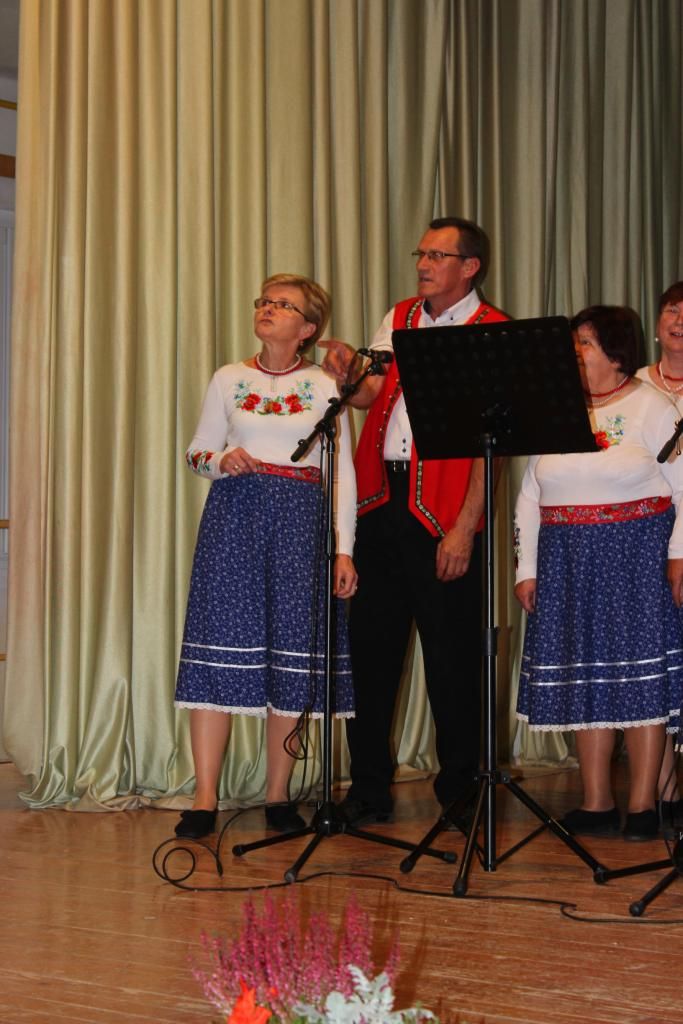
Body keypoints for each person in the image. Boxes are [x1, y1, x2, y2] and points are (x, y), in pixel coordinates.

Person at [321, 216, 508, 825]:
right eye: (420, 253)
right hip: (382, 502)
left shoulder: (492, 330)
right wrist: (348, 374)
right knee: (370, 652)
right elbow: (370, 395)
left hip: (445, 512)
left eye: (437, 255)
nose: (423, 265)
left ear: (469, 267)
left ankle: (461, 792)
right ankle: (368, 789)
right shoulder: (399, 316)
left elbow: (494, 447)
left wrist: (465, 528)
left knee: (453, 658)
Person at [174, 273, 357, 840]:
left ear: (308, 328)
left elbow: (342, 475)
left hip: (301, 527)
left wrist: (344, 550)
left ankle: (278, 795)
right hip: (234, 523)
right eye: (265, 301)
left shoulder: (325, 386)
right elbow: (196, 451)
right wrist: (220, 459)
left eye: (284, 305)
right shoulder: (228, 377)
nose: (268, 309)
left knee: (292, 658)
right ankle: (204, 799)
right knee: (218, 657)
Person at [514, 305, 683, 841]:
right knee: (584, 677)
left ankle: (643, 803)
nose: (573, 354)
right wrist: (527, 567)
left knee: (639, 679)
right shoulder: (556, 407)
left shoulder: (652, 406)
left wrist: (679, 554)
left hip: (636, 557)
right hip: (566, 560)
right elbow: (529, 494)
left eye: (583, 344)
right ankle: (595, 802)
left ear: (615, 353)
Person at [634, 281, 683, 824]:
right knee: (661, 661)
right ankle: (666, 791)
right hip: (649, 540)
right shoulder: (636, 386)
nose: (679, 320)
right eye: (672, 309)